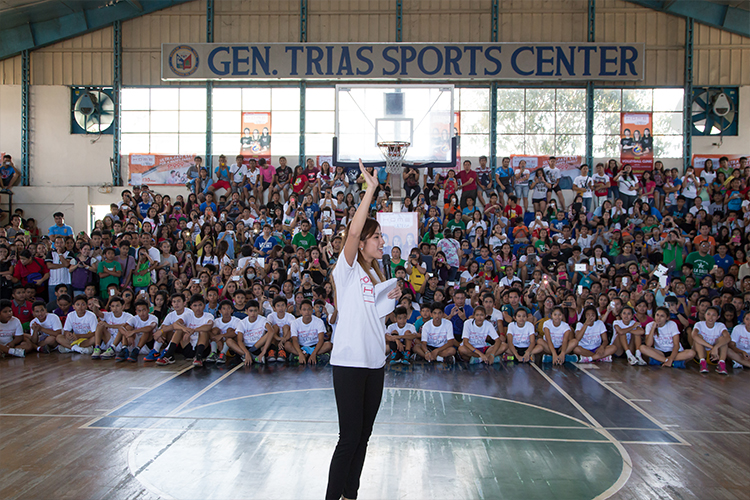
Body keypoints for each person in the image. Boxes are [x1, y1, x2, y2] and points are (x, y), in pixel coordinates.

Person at [325, 161, 401, 500]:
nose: (382, 240)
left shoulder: (374, 276)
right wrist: (370, 189)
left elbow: (375, 317)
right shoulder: (348, 269)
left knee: (364, 435)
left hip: (375, 364)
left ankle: (349, 494)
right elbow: (352, 234)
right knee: (348, 437)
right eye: (378, 236)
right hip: (350, 362)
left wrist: (390, 296)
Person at [691, 306, 730, 375]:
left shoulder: (720, 325)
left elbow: (728, 338)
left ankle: (721, 363)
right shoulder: (699, 324)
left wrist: (716, 347)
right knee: (698, 337)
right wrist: (712, 347)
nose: (710, 317)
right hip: (701, 354)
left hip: (715, 356)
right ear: (705, 315)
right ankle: (702, 363)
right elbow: (693, 335)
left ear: (718, 317)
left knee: (722, 339)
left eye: (714, 315)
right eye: (708, 314)